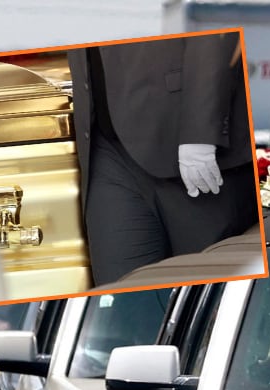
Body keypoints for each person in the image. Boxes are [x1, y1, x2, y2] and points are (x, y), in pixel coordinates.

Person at [67, 31, 259, 286]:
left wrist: (200, 132)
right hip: (104, 142)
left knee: (211, 296)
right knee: (121, 296)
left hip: (189, 138)